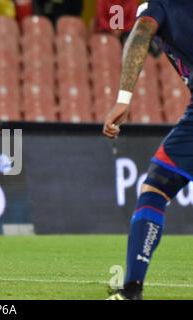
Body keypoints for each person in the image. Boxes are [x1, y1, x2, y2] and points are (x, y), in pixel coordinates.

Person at [104, 0, 193, 300]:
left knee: (154, 192)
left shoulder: (160, 6)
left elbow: (141, 32)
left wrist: (123, 98)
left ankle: (132, 290)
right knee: (155, 187)